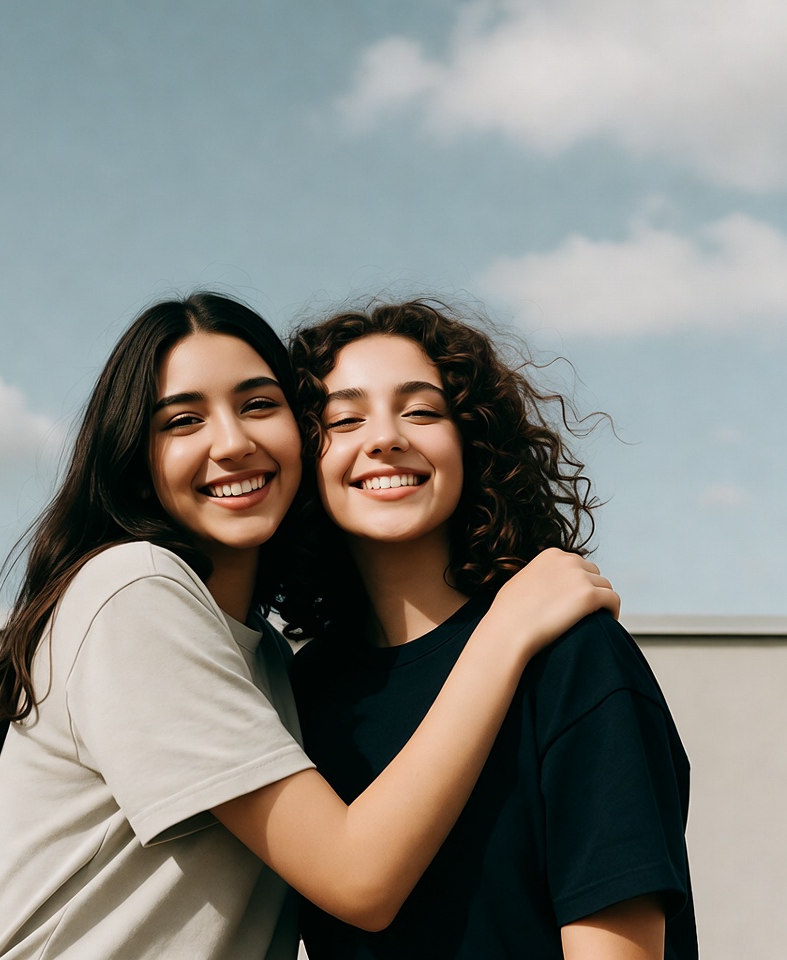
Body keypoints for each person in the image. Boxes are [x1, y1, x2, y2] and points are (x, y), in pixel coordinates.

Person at [0, 292, 619, 960]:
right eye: (183, 420)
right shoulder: (133, 593)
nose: (233, 443)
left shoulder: (270, 657)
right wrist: (506, 629)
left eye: (258, 405)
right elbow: (357, 878)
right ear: (134, 456)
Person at [286, 299, 697, 960]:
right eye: (343, 419)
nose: (386, 437)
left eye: (421, 410)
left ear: (472, 439)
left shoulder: (574, 656)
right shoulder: (302, 690)